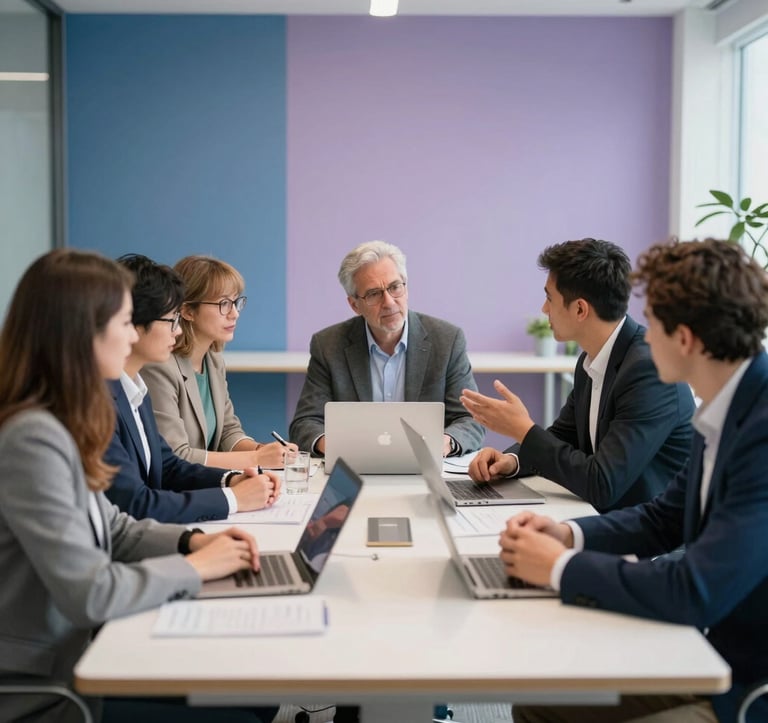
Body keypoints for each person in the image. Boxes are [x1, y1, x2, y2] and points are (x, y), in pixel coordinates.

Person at [0, 249, 276, 723]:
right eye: (125, 322)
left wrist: (194, 540)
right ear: (81, 331)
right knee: (245, 707)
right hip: (52, 683)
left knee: (258, 691)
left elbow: (118, 528)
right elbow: (92, 592)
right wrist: (197, 567)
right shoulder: (32, 438)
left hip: (87, 649)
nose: (132, 336)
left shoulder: (61, 419)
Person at [503, 238, 768, 723]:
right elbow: (664, 516)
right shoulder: (729, 407)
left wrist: (560, 567)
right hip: (710, 648)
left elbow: (695, 588)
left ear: (684, 338)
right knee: (538, 704)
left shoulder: (761, 429)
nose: (645, 336)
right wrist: (568, 534)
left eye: (656, 325)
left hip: (745, 688)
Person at [461, 238, 694, 512]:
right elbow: (564, 435)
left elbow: (602, 484)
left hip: (650, 540)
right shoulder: (592, 358)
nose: (544, 309)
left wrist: (523, 429)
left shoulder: (649, 370)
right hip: (610, 521)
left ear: (580, 309)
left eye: (549, 298)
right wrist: (511, 461)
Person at [104, 254, 281, 524]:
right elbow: (137, 500)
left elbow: (168, 465)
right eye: (171, 320)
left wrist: (234, 479)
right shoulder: (108, 397)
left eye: (235, 303)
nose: (176, 332)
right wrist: (235, 496)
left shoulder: (135, 389)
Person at [289, 240, 484, 457]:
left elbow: (471, 419)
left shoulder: (447, 340)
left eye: (394, 287)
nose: (389, 302)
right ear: (355, 305)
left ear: (406, 287)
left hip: (427, 468)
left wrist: (444, 443)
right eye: (373, 293)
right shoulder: (328, 345)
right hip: (355, 468)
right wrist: (337, 448)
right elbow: (305, 423)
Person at [142, 255, 295, 468]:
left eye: (236, 302)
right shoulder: (160, 367)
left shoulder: (213, 360)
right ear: (187, 311)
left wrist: (265, 450)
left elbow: (228, 432)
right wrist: (257, 459)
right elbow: (175, 455)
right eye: (223, 303)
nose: (234, 314)